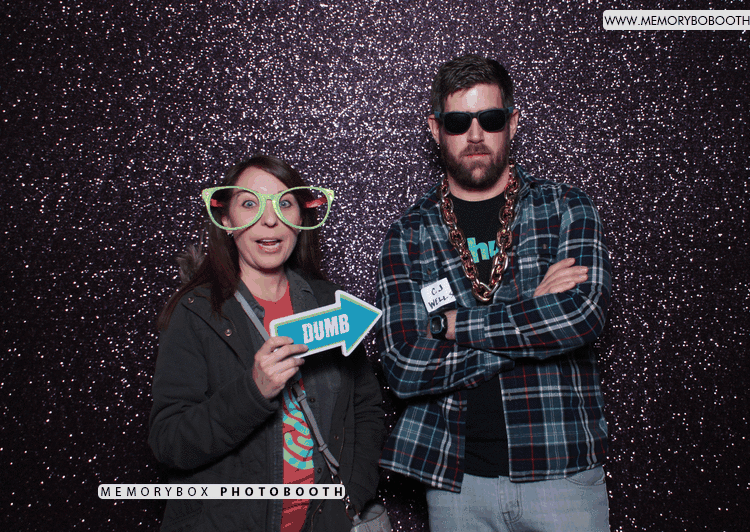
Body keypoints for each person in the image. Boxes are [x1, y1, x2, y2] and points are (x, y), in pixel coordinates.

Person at [376, 55, 611, 531]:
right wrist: (532, 313)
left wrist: (452, 325)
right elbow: (403, 365)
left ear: (512, 123)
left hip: (562, 473)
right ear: (436, 129)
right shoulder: (409, 234)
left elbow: (581, 316)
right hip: (456, 484)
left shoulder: (565, 207)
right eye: (458, 122)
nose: (475, 134)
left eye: (491, 119)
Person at [149, 155, 385, 532]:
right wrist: (253, 392)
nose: (269, 219)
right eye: (249, 204)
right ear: (226, 220)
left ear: (300, 218)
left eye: (284, 203)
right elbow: (169, 442)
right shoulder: (195, 313)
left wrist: (350, 497)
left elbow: (365, 409)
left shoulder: (329, 304)